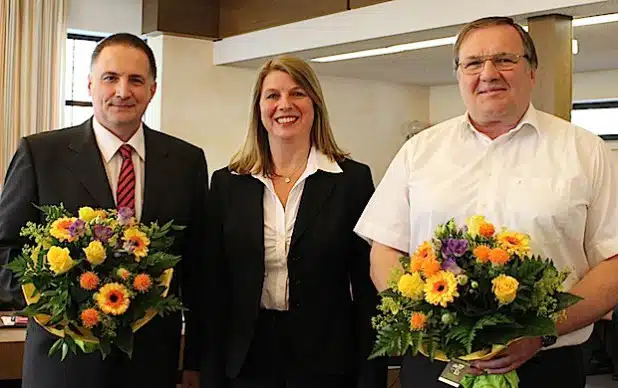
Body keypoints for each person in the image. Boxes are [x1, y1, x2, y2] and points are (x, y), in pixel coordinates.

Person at [354, 16, 618, 388]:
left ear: (532, 71)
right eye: (474, 63)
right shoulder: (419, 151)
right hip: (437, 362)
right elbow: (384, 250)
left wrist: (541, 330)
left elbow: (613, 262)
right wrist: (423, 319)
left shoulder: (585, 151)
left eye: (504, 60)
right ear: (459, 74)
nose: (488, 73)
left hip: (546, 364)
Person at [0, 33, 208, 388]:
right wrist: (63, 299)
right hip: (62, 367)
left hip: (150, 366)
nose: (123, 91)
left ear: (153, 90)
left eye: (136, 80)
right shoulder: (41, 154)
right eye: (110, 78)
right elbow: (4, 252)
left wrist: (196, 360)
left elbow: (200, 269)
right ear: (90, 85)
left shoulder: (187, 161)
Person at [185, 55, 386, 388]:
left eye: (297, 93)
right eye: (273, 95)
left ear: (315, 103)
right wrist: (207, 368)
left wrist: (372, 375)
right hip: (246, 359)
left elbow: (367, 290)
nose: (285, 104)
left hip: (327, 361)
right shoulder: (228, 183)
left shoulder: (351, 181)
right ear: (259, 108)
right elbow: (212, 287)